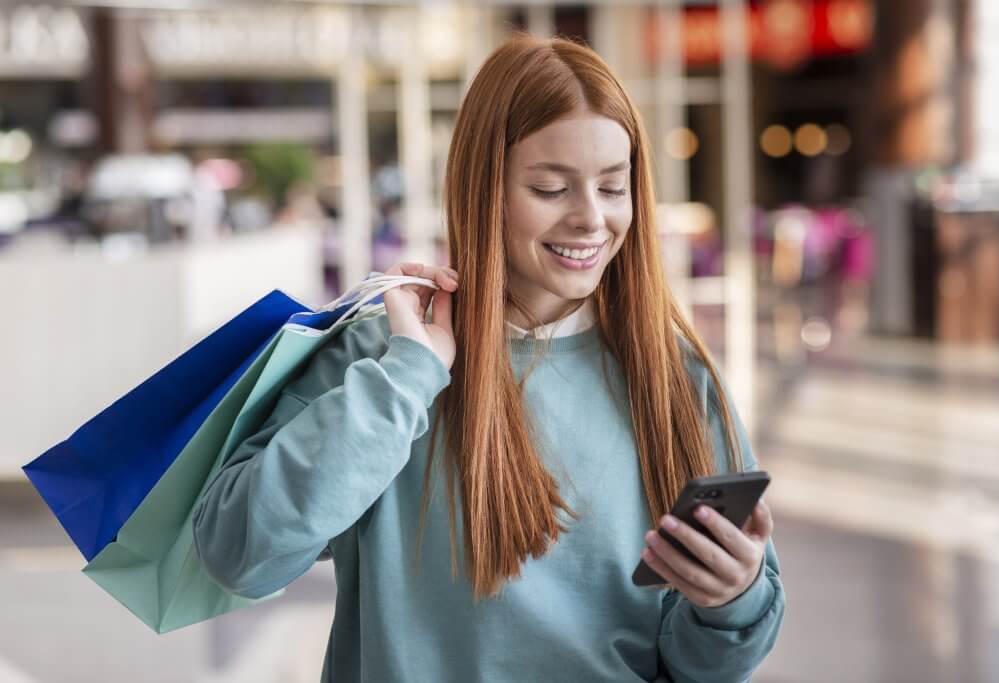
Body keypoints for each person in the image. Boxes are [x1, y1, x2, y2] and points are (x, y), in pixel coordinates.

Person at [193, 34, 785, 682]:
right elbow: (240, 554)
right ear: (485, 188)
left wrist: (733, 599)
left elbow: (704, 664)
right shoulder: (382, 357)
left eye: (613, 189)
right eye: (552, 188)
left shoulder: (675, 377)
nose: (591, 218)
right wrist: (406, 380)